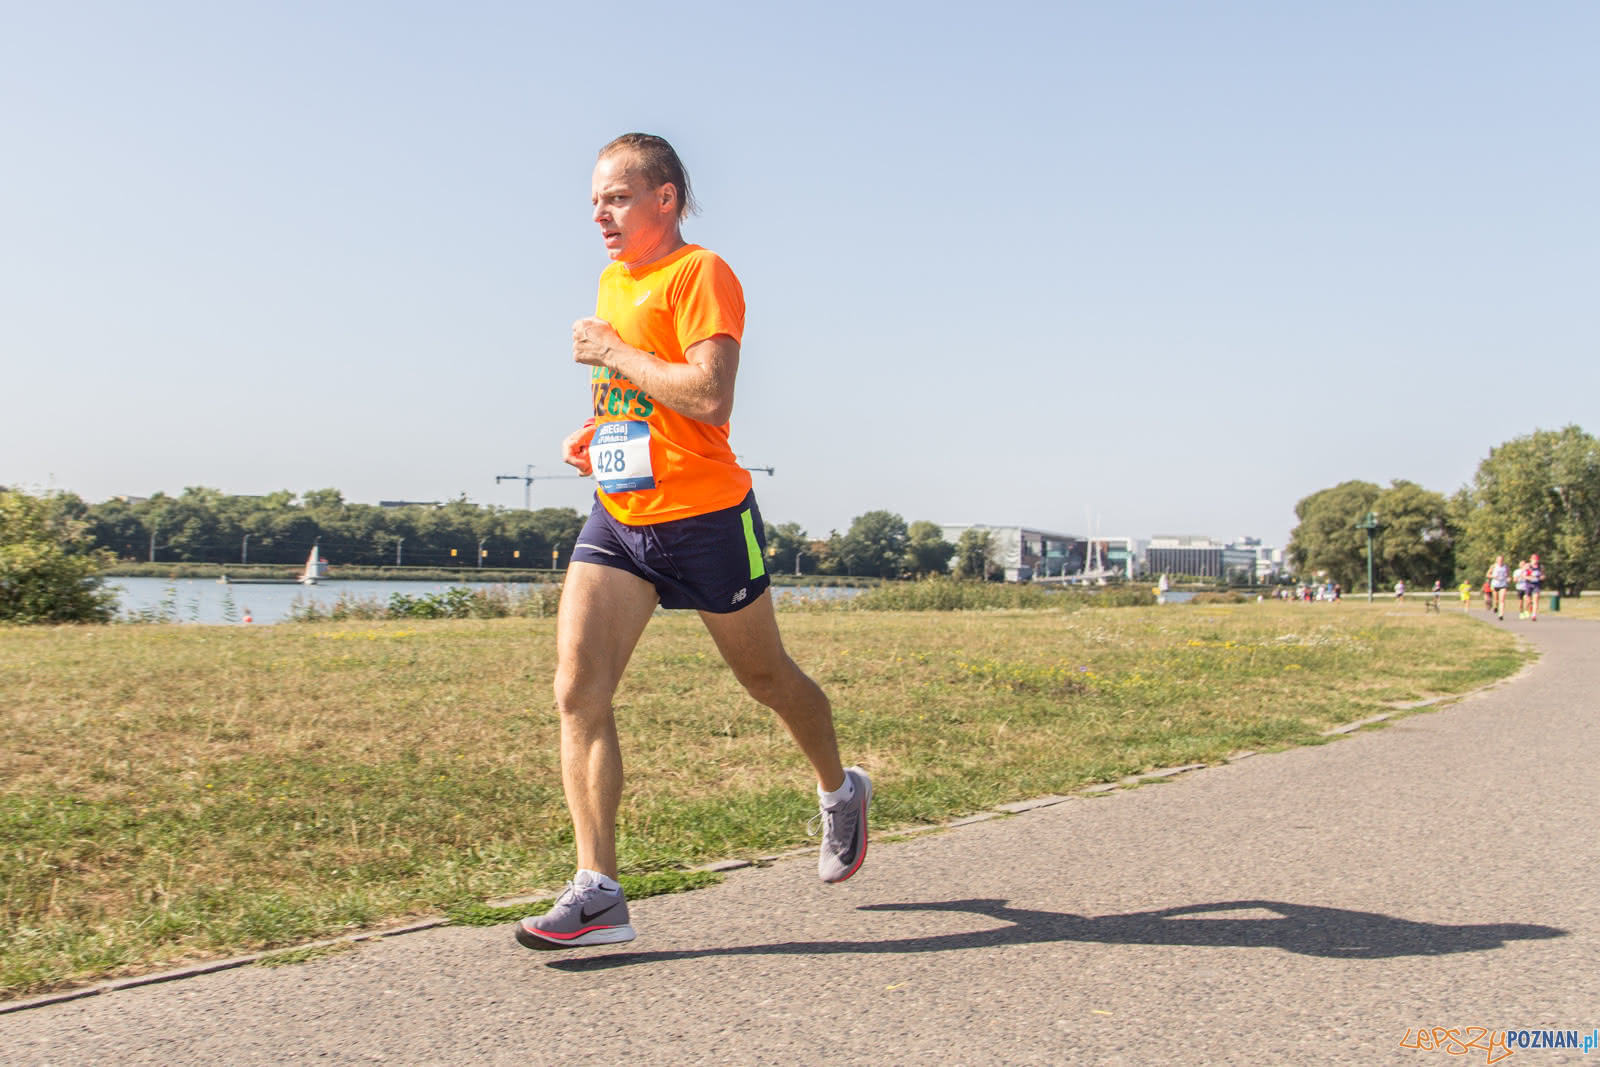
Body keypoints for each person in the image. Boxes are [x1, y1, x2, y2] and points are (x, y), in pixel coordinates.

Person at [515, 134, 870, 951]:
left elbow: (709, 396)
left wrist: (611, 350)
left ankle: (838, 787)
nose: (599, 213)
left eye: (616, 196)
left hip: (707, 518)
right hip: (622, 517)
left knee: (768, 678)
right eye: (595, 199)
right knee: (578, 688)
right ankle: (599, 889)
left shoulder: (700, 273)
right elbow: (640, 393)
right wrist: (599, 432)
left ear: (664, 198)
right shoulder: (614, 279)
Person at [1525, 554, 1544, 621]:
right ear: (1531, 559)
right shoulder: (1527, 566)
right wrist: (1529, 577)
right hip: (1529, 584)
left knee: (1536, 600)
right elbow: (1523, 575)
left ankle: (1534, 615)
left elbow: (1542, 575)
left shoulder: (1540, 567)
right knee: (1528, 600)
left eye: (1536, 559)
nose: (1535, 561)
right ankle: (1530, 606)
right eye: (1533, 559)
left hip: (1536, 584)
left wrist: (1542, 577)